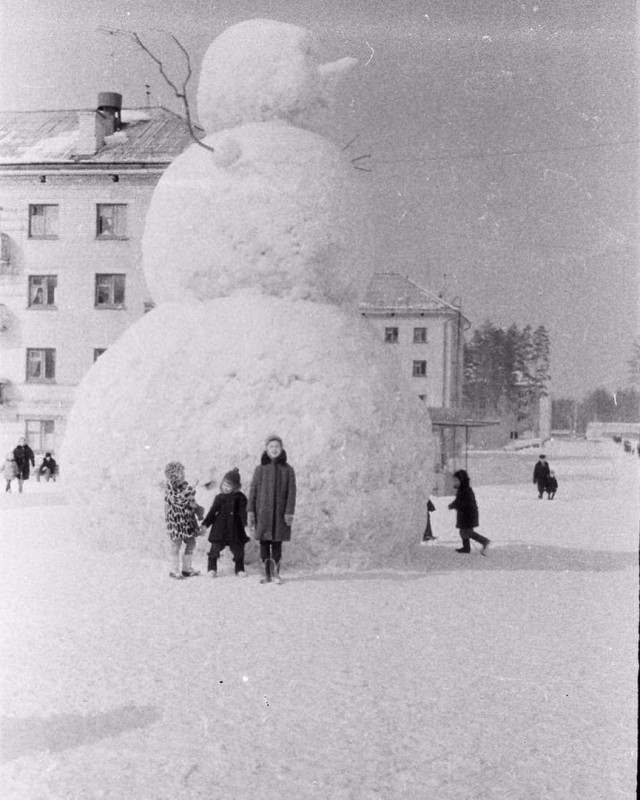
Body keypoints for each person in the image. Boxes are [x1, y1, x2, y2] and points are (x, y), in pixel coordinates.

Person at [248, 434, 296, 584]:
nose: (274, 449)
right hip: (263, 513)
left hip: (280, 514)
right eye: (271, 446)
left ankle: (276, 573)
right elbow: (253, 491)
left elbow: (292, 492)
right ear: (266, 449)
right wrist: (251, 510)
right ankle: (265, 573)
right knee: (263, 542)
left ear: (281, 449)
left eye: (277, 446)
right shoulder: (260, 469)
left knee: (276, 543)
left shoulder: (288, 470)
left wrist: (289, 511)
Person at [201, 468, 249, 577]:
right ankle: (212, 568)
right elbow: (213, 512)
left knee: (238, 550)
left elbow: (243, 513)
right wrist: (205, 524)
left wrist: (245, 525)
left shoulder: (241, 498)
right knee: (215, 548)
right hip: (220, 528)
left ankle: (239, 568)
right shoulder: (220, 497)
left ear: (235, 487)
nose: (225, 488)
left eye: (229, 486)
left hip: (236, 528)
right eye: (224, 485)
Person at [164, 461, 204, 580]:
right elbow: (179, 499)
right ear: (174, 474)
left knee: (191, 542)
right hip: (176, 522)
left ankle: (187, 569)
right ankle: (174, 569)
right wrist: (192, 488)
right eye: (180, 472)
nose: (183, 474)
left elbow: (189, 500)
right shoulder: (170, 487)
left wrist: (196, 507)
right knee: (176, 545)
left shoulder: (184, 485)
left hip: (186, 521)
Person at [448, 469, 490, 555]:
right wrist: (453, 504)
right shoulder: (462, 490)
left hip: (468, 515)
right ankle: (466, 548)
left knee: (468, 532)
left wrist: (455, 505)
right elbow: (458, 501)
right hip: (465, 515)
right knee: (463, 532)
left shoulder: (466, 491)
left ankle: (484, 541)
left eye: (456, 480)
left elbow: (465, 502)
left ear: (462, 480)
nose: (455, 482)